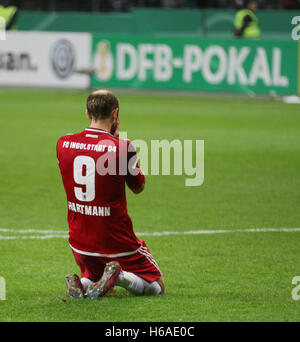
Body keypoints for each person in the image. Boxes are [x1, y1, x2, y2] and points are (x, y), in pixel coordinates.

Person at [56, 90, 165, 299]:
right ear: (115, 115)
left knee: (93, 273)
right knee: (158, 286)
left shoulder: (63, 143)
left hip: (79, 242)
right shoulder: (122, 148)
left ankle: (82, 283)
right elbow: (138, 187)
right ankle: (120, 276)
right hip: (117, 241)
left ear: (87, 114)